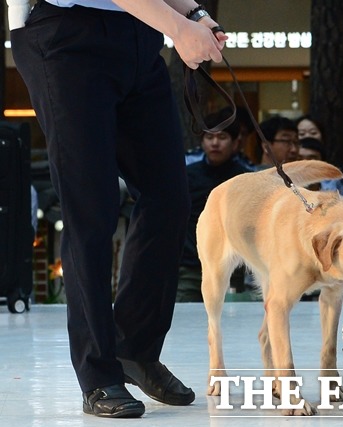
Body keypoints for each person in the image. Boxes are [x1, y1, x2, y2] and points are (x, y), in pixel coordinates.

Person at [8, 0, 227, 418]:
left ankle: (136, 350)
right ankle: (97, 373)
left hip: (140, 32)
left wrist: (195, 14)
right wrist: (180, 30)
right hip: (65, 33)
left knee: (169, 197)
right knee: (91, 207)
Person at [178, 111, 252, 302]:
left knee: (231, 325)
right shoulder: (186, 176)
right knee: (185, 322)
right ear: (202, 142)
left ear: (236, 142)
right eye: (209, 137)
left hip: (231, 268)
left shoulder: (245, 179)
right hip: (190, 267)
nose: (215, 143)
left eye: (222, 137)